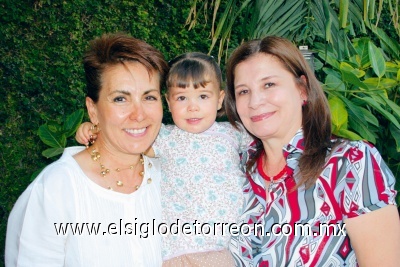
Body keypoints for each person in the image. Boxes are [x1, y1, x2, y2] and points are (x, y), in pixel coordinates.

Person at [224, 36, 400, 266]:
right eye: (243, 91)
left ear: (302, 89)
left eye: (269, 84)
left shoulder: (349, 163)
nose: (255, 101)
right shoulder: (231, 168)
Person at [5, 33, 168, 266]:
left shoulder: (172, 176)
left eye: (149, 97)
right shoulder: (56, 189)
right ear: (93, 110)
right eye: (121, 99)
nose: (139, 114)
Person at [76, 52, 253, 266]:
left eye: (203, 96)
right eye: (181, 98)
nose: (192, 106)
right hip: (176, 251)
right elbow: (123, 138)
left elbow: (272, 139)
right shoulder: (164, 137)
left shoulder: (233, 133)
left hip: (222, 248)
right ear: (168, 103)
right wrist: (92, 129)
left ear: (220, 99)